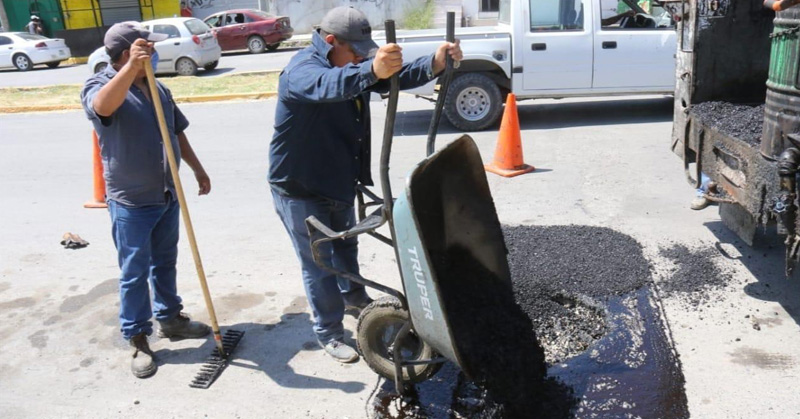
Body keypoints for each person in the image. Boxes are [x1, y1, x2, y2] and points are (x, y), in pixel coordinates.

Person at [269, 6, 462, 363]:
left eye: (364, 53)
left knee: (346, 247)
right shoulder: (302, 71)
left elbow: (390, 77)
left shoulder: (350, 66)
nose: (360, 58)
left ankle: (355, 298)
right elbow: (329, 85)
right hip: (300, 186)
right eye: (355, 51)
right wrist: (370, 68)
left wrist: (434, 63)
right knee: (319, 264)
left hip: (339, 178)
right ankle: (328, 331)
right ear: (330, 42)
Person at [80, 22, 212, 378]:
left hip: (167, 192)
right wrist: (130, 69)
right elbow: (102, 107)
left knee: (165, 262)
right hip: (132, 201)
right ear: (128, 53)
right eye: (146, 47)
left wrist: (197, 169)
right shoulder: (100, 84)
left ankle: (170, 319)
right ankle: (138, 337)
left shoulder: (158, 87)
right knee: (134, 272)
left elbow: (176, 132)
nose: (153, 52)